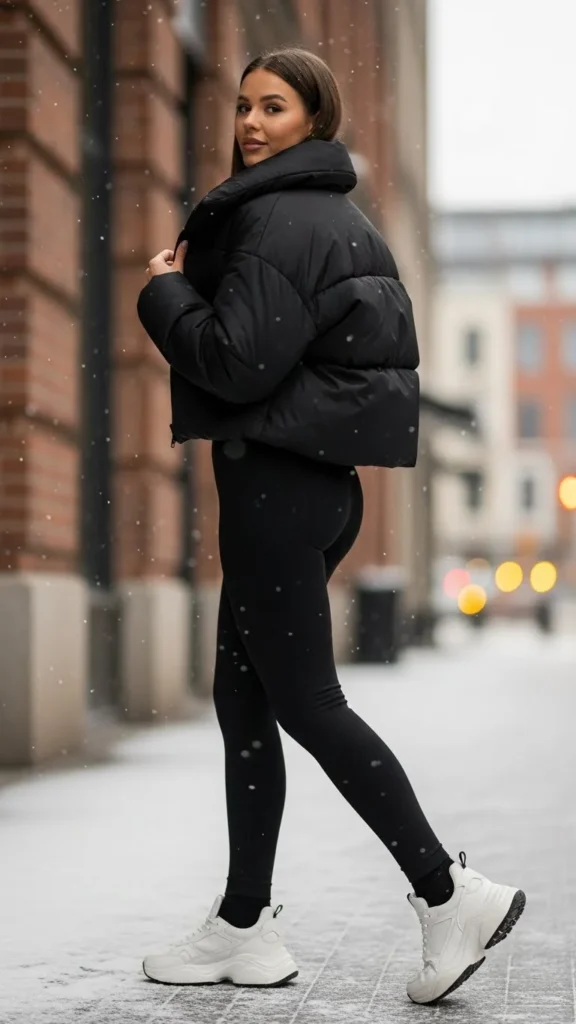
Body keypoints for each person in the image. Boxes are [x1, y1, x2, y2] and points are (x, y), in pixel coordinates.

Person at [136, 46, 525, 1006]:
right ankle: (244, 925)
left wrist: (164, 293)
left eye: (273, 106)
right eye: (243, 106)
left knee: (307, 703)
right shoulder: (337, 218)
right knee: (245, 702)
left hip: (276, 489)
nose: (250, 123)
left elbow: (237, 363)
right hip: (313, 486)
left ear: (315, 118)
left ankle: (449, 894)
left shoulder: (276, 220)